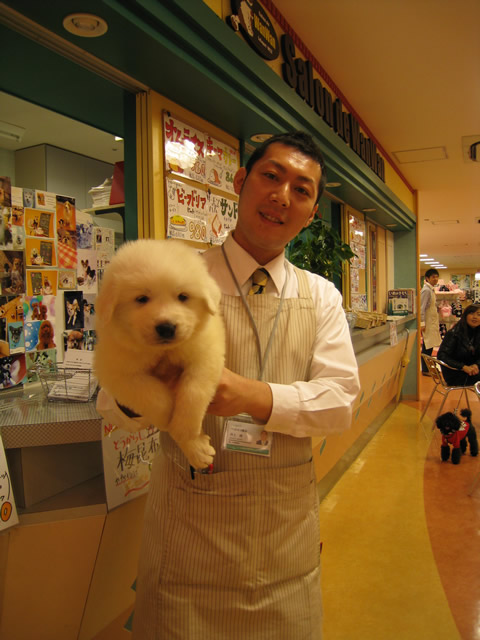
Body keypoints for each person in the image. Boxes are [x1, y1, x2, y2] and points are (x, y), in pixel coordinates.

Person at [132, 131, 360, 640]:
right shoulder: (176, 281)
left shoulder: (321, 296)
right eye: (271, 176)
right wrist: (145, 390)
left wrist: (250, 396)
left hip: (284, 543)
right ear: (240, 181)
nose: (282, 196)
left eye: (301, 190)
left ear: (312, 213)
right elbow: (114, 398)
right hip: (187, 543)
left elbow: (341, 402)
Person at [437, 304, 480, 386]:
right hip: (455, 373)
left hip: (473, 371)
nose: (475, 317)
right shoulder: (454, 333)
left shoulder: (478, 334)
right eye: (471, 313)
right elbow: (442, 356)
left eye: (479, 315)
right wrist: (463, 367)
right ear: (465, 316)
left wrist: (476, 365)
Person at [420, 268, 441, 374]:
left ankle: (429, 367)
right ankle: (425, 369)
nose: (435, 279)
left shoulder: (431, 289)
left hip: (432, 321)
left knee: (430, 345)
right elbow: (421, 308)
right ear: (427, 278)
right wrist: (422, 323)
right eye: (433, 277)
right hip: (427, 322)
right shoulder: (426, 290)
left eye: (437, 277)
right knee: (427, 346)